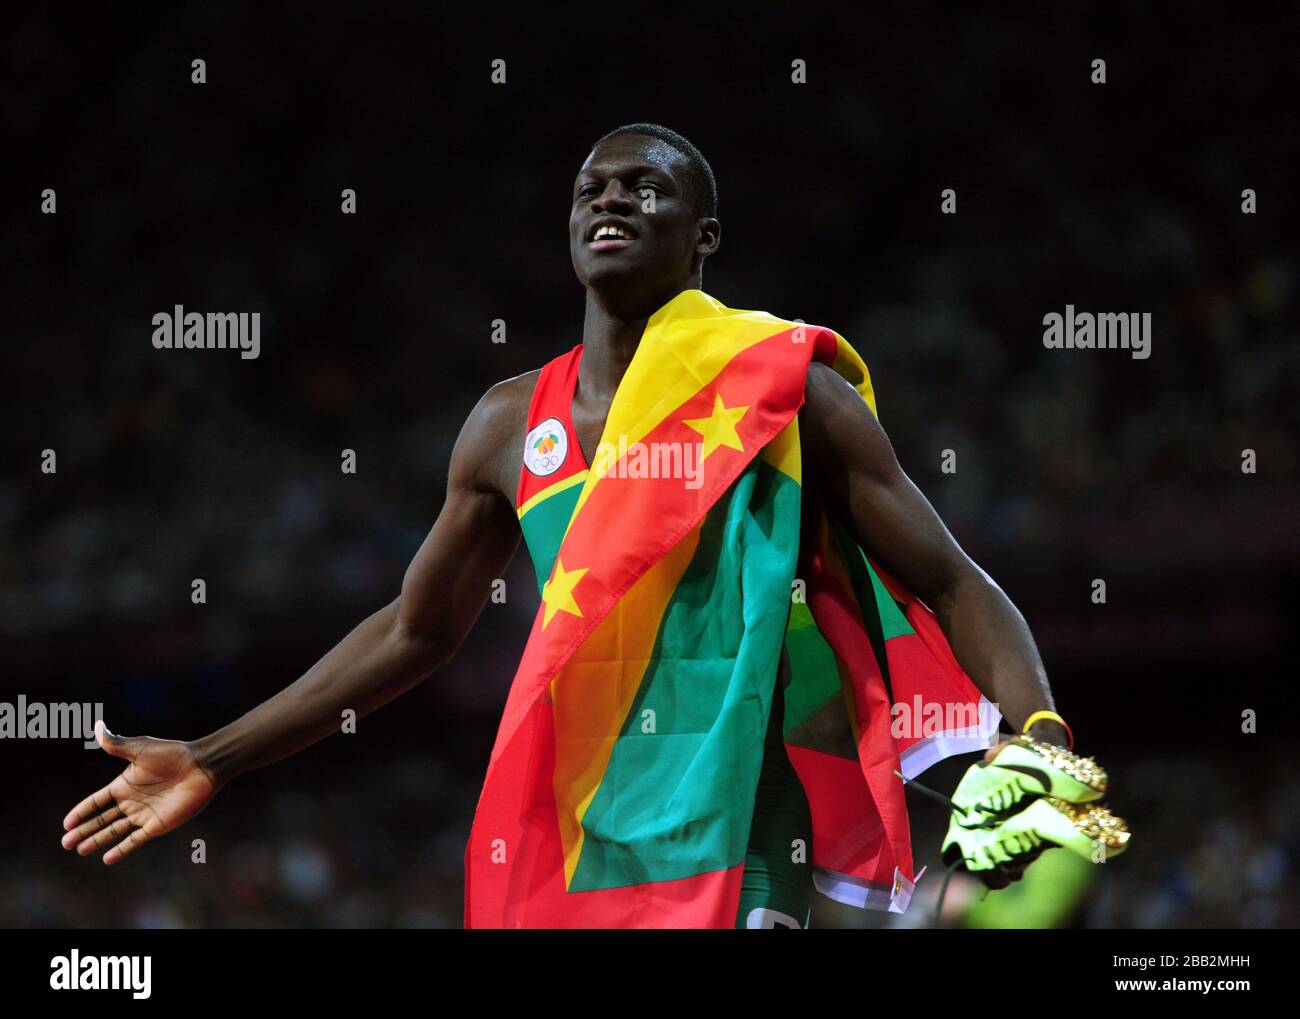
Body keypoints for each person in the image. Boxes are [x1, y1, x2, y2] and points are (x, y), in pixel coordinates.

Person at [62, 123, 1072, 928]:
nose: (612, 198)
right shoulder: (508, 424)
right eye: (592, 187)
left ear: (702, 237)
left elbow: (950, 581)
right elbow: (416, 628)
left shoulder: (778, 390)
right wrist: (213, 755)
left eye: (644, 185)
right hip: (566, 831)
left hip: (736, 825)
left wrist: (1040, 740)